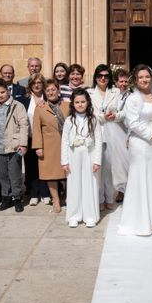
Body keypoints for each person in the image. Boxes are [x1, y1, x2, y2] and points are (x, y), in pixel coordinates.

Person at [118, 65, 152, 236]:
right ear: (136, 80)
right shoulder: (133, 98)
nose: (145, 80)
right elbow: (132, 123)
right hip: (142, 144)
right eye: (141, 77)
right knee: (142, 179)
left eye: (147, 76)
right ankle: (141, 220)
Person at [61, 88, 102, 228]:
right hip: (73, 155)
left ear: (88, 102)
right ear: (73, 103)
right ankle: (74, 215)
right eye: (77, 102)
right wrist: (64, 161)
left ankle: (90, 215)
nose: (80, 104)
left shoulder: (93, 120)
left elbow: (98, 141)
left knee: (89, 184)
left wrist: (97, 160)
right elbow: (65, 141)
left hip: (89, 155)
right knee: (74, 184)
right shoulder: (69, 121)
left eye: (83, 102)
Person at [0, 79, 29, 212]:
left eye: (3, 92)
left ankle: (17, 198)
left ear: (8, 91)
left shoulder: (17, 106)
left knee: (15, 173)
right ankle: (6, 198)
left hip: (14, 145)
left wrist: (23, 144)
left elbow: (24, 125)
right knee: (3, 174)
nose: (1, 95)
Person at [33, 79, 69, 213]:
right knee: (51, 174)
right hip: (48, 146)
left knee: (68, 172)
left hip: (66, 144)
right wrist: (38, 147)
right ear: (45, 93)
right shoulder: (40, 108)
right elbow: (36, 129)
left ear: (58, 91)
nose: (51, 92)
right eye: (47, 90)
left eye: (53, 89)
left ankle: (67, 196)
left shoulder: (67, 105)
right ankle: (56, 200)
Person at [88, 65, 121, 211]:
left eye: (106, 76)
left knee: (109, 169)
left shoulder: (116, 91)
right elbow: (90, 113)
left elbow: (121, 111)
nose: (103, 78)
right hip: (96, 133)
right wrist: (103, 117)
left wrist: (115, 116)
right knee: (97, 168)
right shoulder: (89, 93)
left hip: (113, 133)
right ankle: (99, 199)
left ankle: (109, 197)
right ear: (95, 77)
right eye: (100, 75)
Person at [18, 73, 51, 205]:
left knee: (44, 166)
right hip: (30, 138)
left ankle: (45, 193)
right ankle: (33, 193)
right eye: (34, 83)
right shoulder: (24, 100)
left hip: (45, 138)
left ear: (43, 84)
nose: (36, 85)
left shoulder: (48, 99)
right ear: (30, 85)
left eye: (39, 82)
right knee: (31, 167)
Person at [109, 68, 130, 201]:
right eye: (121, 81)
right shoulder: (111, 94)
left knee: (125, 161)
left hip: (124, 130)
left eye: (125, 81)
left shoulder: (131, 95)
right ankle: (115, 189)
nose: (123, 84)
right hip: (110, 131)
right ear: (116, 82)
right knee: (113, 162)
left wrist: (116, 115)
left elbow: (127, 112)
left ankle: (125, 189)